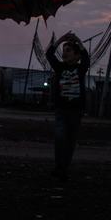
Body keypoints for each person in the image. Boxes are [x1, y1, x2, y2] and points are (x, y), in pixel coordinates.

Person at [45, 31, 89, 182]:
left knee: (70, 141)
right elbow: (49, 55)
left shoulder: (80, 69)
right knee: (60, 138)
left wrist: (77, 40)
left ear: (77, 55)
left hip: (76, 112)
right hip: (62, 111)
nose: (64, 53)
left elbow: (86, 58)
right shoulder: (60, 68)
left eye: (68, 50)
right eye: (63, 51)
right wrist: (60, 41)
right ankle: (59, 167)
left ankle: (63, 168)